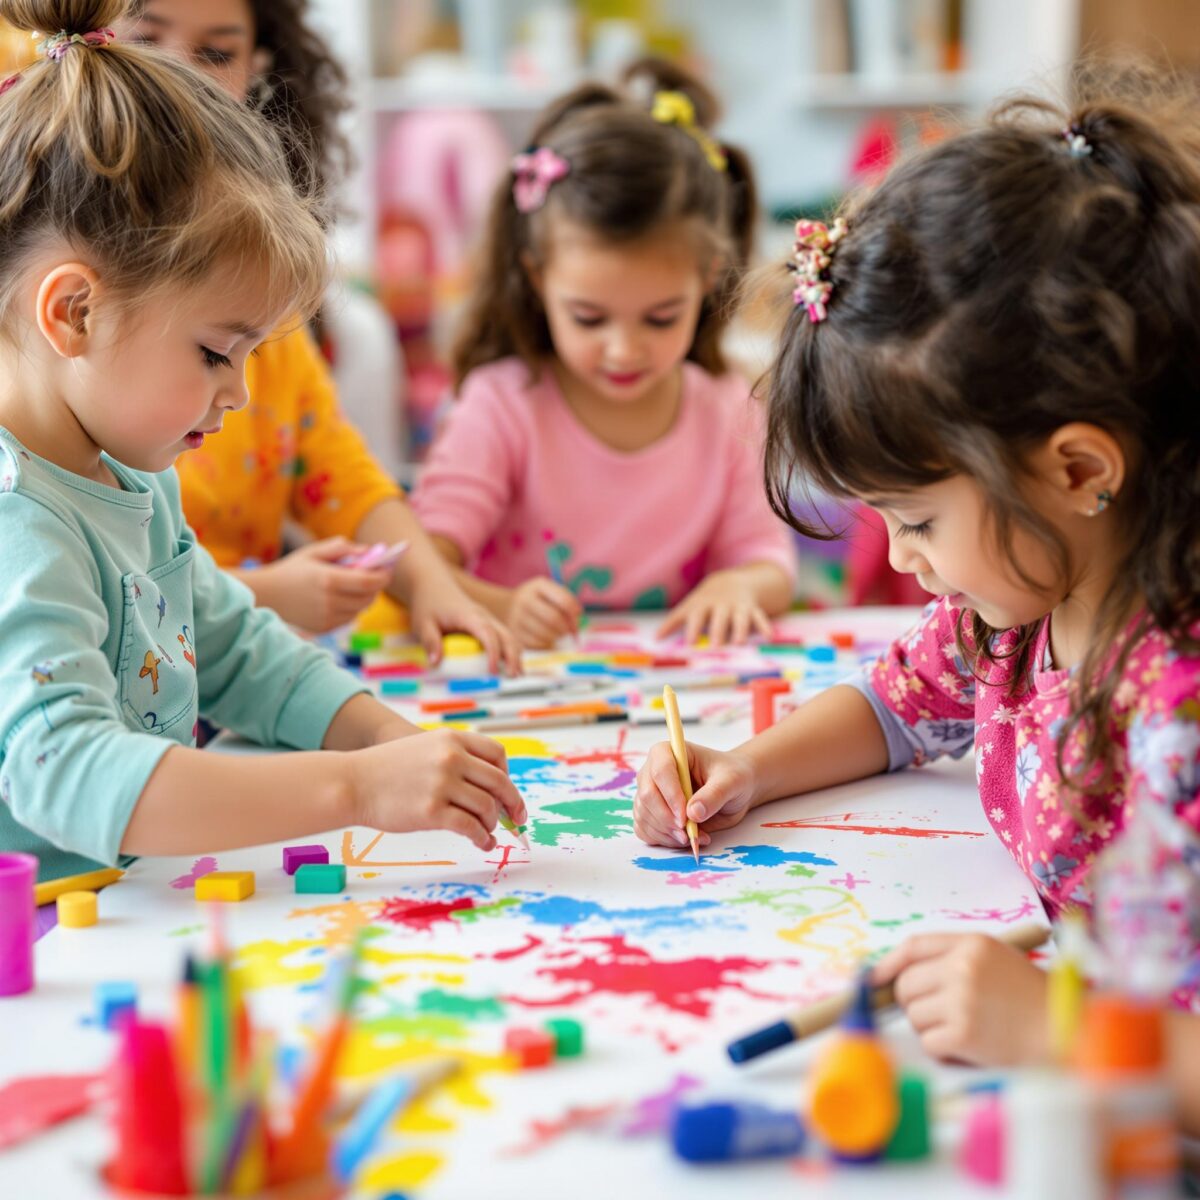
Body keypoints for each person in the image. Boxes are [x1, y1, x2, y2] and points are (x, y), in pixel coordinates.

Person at [633, 84, 1200, 1127]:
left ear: (1076, 470)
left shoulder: (1178, 705)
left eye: (919, 521)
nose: (899, 559)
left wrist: (1060, 1028)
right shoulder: (1018, 605)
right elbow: (897, 708)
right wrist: (747, 770)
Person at [0, 0, 524, 884]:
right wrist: (355, 788)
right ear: (74, 312)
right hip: (42, 955)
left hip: (128, 906)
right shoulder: (19, 522)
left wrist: (396, 746)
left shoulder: (129, 470)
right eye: (214, 352)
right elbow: (69, 772)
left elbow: (237, 647)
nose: (238, 394)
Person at [115, 0, 518, 671]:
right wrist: (265, 594)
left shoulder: (261, 307)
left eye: (216, 53)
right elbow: (73, 572)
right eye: (148, 42)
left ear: (261, 72)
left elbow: (343, 476)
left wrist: (433, 586)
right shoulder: (60, 335)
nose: (182, 76)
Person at [411, 60, 797, 649]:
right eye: (589, 318)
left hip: (674, 700)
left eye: (661, 316)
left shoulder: (726, 408)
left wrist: (742, 586)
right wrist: (502, 606)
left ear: (708, 279)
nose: (624, 350)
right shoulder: (502, 404)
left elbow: (769, 560)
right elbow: (420, 563)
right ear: (536, 278)